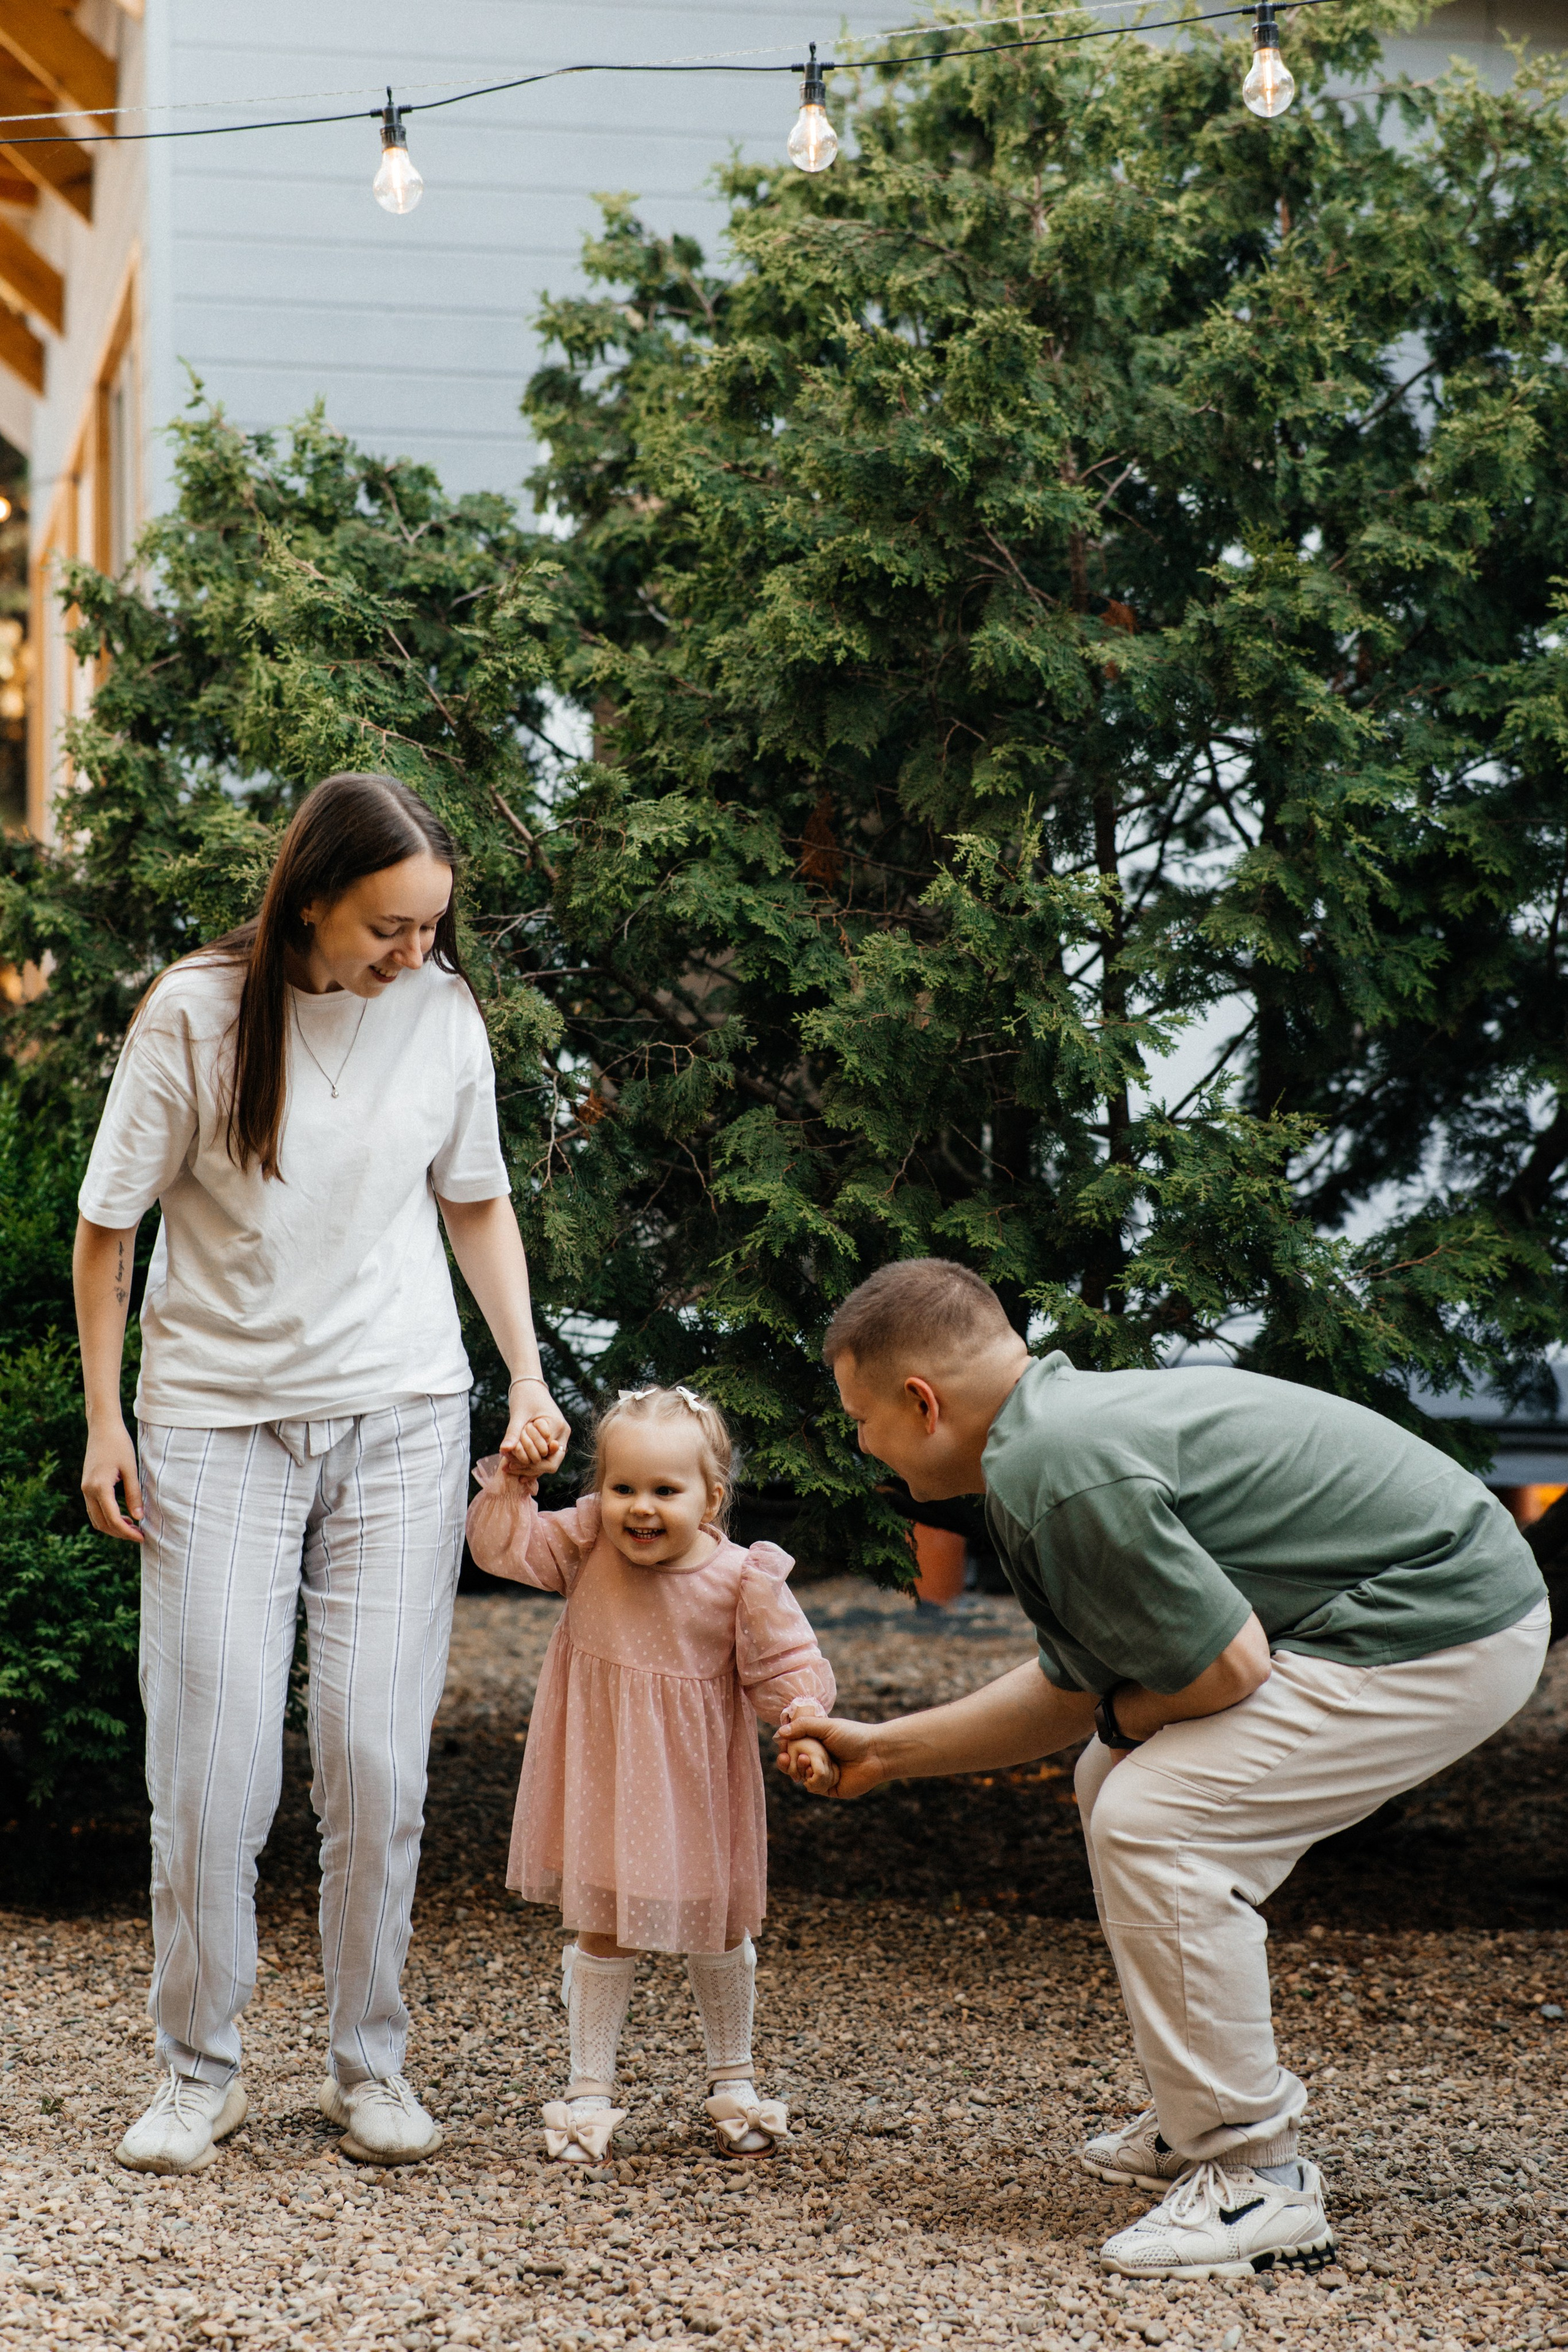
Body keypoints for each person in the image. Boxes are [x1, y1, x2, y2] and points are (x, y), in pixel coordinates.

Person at [777, 1258, 1549, 2280]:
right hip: (1416, 1609)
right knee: (1114, 1783)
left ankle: (1257, 2182)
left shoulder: (1055, 1465)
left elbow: (1224, 1671)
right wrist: (888, 1748)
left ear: (922, 1403)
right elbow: (1073, 1690)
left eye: (861, 1417)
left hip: (1443, 1625)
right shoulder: (1043, 1440)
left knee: (1158, 1818)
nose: (859, 1440)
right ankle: (1205, 2119)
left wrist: (1119, 1714)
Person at [74, 771, 570, 2176]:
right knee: (214, 1761)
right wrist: (107, 1421)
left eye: (431, 926)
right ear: (309, 897)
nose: (412, 952)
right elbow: (107, 1231)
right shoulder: (191, 1014)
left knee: (370, 1754)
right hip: (217, 1420)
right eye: (388, 925)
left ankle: (372, 2062)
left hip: (402, 1411)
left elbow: (475, 1198)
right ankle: (197, 2072)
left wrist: (525, 1375)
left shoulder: (443, 1012)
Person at [467, 1382, 837, 2163]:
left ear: (711, 1498)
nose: (639, 1507)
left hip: (698, 1784)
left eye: (665, 1491)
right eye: (621, 1487)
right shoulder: (585, 1545)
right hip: (601, 1774)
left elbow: (787, 1665)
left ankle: (732, 2073)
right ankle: (588, 2085)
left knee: (719, 1921)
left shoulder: (742, 1577)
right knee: (599, 1925)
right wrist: (515, 1485)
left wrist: (804, 1723)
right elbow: (502, 1549)